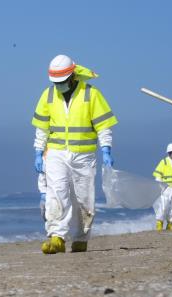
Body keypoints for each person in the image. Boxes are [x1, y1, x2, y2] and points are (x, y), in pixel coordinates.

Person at [32, 55, 118, 254]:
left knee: (83, 197)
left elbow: (104, 126)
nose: (59, 85)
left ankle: (80, 238)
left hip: (84, 155)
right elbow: (42, 128)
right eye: (56, 82)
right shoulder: (48, 95)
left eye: (62, 82)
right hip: (56, 153)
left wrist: (106, 148)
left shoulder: (91, 94)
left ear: (72, 76)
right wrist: (38, 151)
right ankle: (56, 237)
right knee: (56, 192)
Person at [152, 143, 172, 231]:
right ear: (169, 152)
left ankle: (170, 224)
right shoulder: (164, 162)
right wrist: (160, 185)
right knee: (164, 206)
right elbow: (157, 176)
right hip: (166, 188)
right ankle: (159, 223)